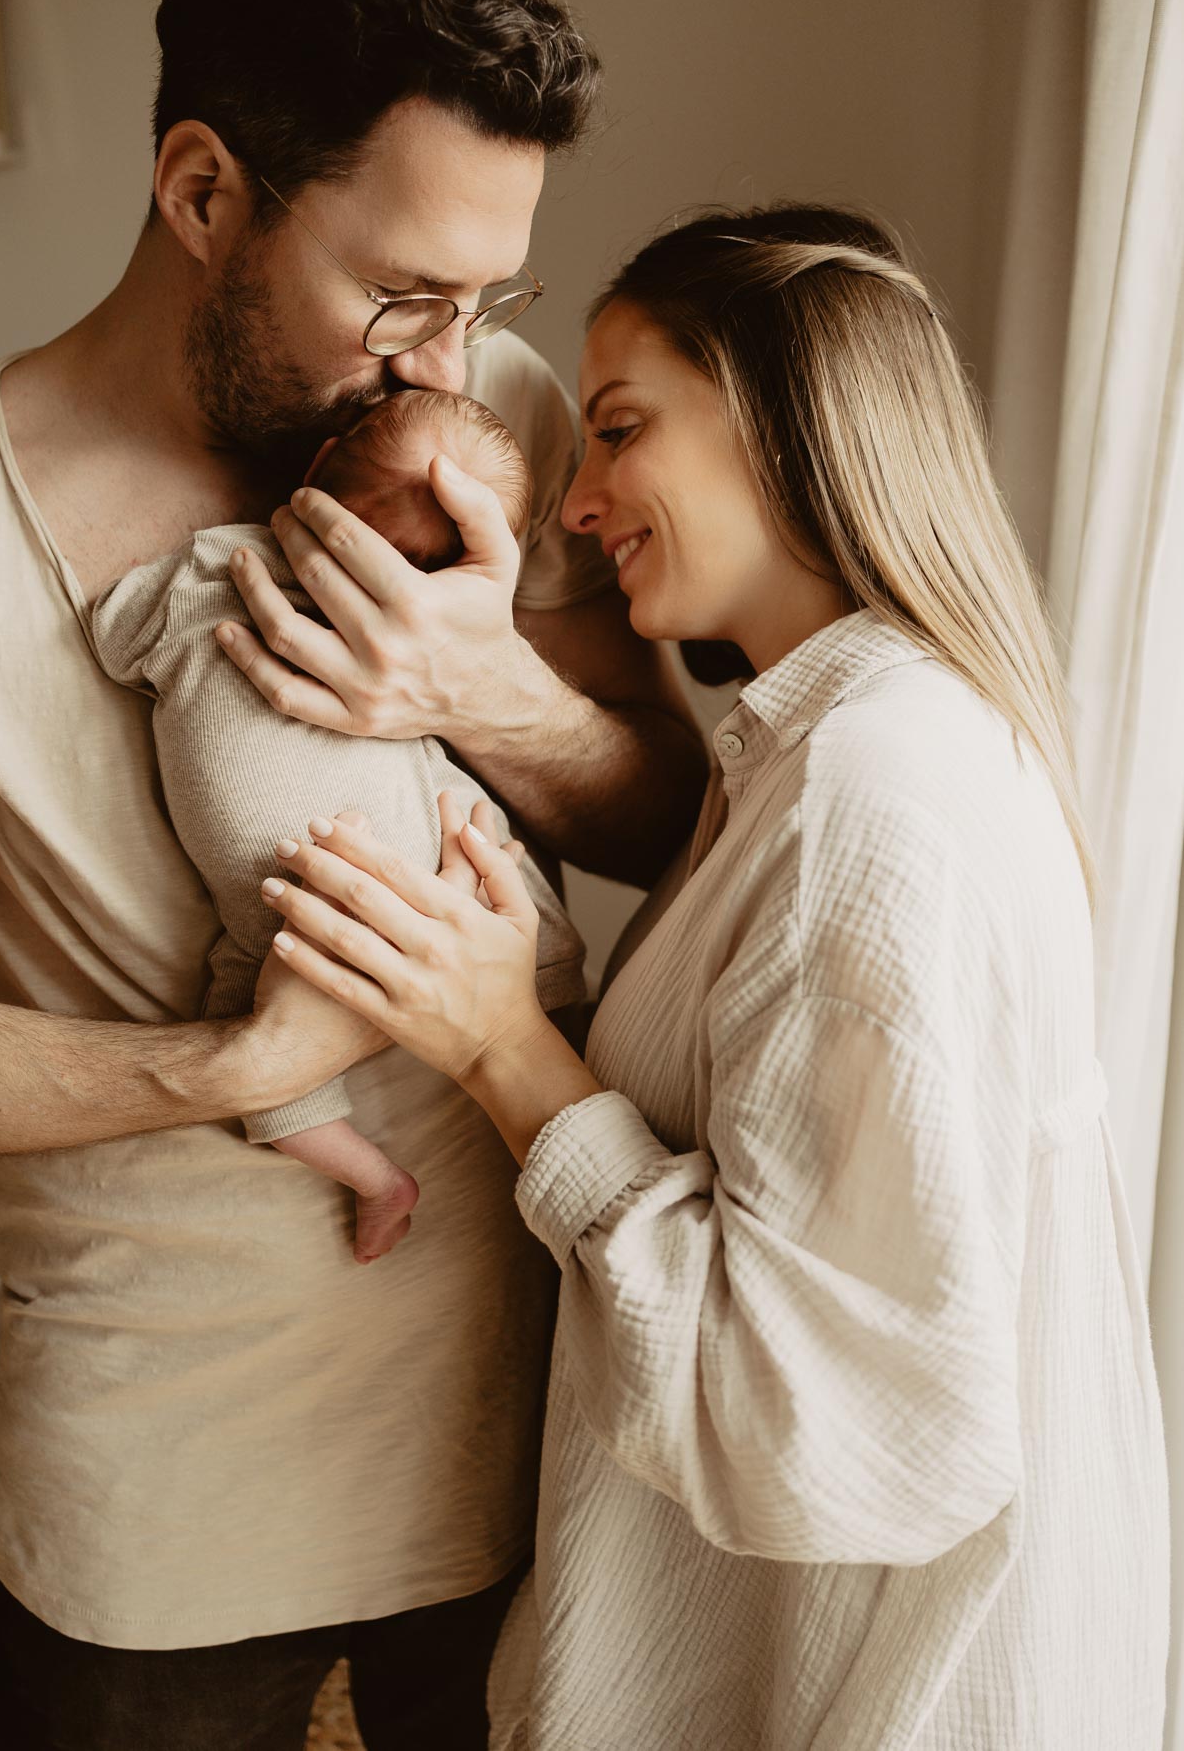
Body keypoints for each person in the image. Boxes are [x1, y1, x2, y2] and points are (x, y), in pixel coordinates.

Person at [0, 0, 706, 1750]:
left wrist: (478, 691)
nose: (447, 354)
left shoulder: (485, 415)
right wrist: (222, 1072)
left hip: (542, 1452)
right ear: (203, 192)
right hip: (160, 1525)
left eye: (484, 296)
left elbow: (668, 817)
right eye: (401, 292)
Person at [262, 204, 1171, 1750]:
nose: (578, 502)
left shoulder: (868, 798)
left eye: (617, 431)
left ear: (784, 417)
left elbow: (830, 1420)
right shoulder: (828, 753)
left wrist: (501, 1050)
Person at [91, 390, 586, 1265]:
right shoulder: (251, 576)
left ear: (318, 473)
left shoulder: (211, 569)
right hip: (342, 898)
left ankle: (380, 1174)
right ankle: (394, 1169)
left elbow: (116, 634)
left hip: (295, 906)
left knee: (477, 864)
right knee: (497, 886)